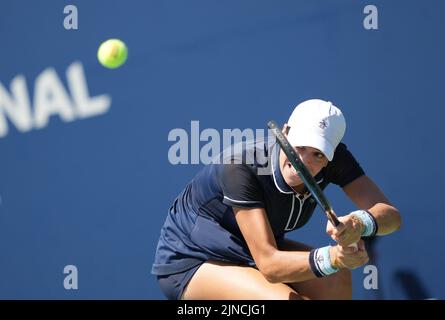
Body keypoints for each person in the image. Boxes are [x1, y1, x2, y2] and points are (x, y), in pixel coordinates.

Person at [151, 99, 401, 300]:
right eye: (299, 146)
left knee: (337, 278)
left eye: (317, 154)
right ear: (285, 132)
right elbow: (270, 264)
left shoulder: (336, 160)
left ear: (331, 156)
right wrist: (334, 257)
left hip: (249, 252)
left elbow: (391, 216)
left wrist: (359, 222)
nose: (303, 161)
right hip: (192, 261)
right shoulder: (239, 167)